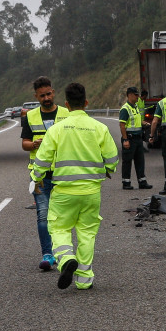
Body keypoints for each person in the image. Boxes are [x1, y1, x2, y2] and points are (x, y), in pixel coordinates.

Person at [31, 83, 118, 290]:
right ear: (86, 103)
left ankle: (66, 259)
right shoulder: (100, 128)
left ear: (66, 104)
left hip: (64, 192)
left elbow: (42, 160)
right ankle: (84, 279)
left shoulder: (56, 129)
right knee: (87, 233)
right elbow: (112, 159)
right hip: (91, 192)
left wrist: (36, 177)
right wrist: (107, 170)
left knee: (58, 228)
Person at [20, 76, 69, 271]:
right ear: (36, 97)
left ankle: (63, 252)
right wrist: (33, 144)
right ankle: (47, 255)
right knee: (42, 215)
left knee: (63, 216)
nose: (46, 98)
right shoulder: (30, 117)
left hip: (63, 174)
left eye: (49, 94)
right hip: (39, 175)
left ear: (54, 92)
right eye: (42, 96)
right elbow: (24, 144)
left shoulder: (66, 114)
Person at [118, 87, 152, 190]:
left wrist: (143, 123)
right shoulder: (125, 109)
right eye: (136, 95)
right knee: (127, 161)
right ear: (129, 95)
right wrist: (125, 140)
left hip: (138, 138)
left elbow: (136, 120)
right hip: (130, 138)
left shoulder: (135, 106)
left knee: (140, 161)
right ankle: (126, 183)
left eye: (138, 95)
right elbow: (122, 125)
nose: (138, 97)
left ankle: (142, 182)